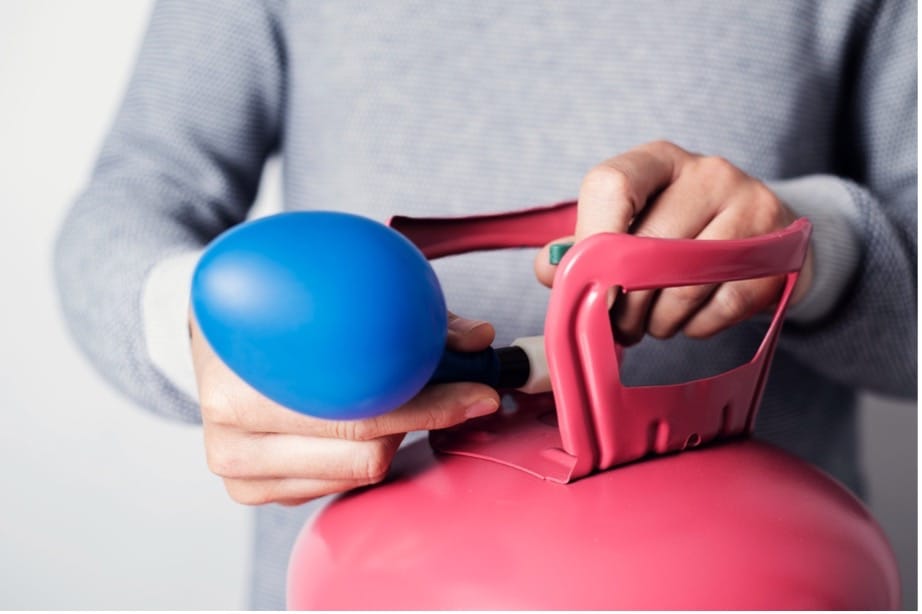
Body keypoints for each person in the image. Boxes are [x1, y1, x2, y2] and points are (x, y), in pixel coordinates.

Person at [54, 0, 916, 609]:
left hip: (766, 582)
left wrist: (817, 244)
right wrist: (191, 330)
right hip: (372, 584)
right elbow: (134, 196)